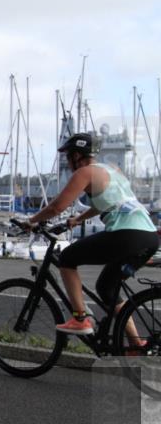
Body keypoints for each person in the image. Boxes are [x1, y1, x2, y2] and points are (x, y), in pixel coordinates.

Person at [26, 133, 159, 347]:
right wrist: (78, 219)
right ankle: (137, 345)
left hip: (125, 234)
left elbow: (56, 207)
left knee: (67, 258)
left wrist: (31, 221)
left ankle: (80, 319)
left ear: (77, 156)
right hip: (149, 237)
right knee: (107, 288)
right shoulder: (112, 170)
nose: (67, 162)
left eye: (68, 157)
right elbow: (108, 203)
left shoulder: (84, 172)